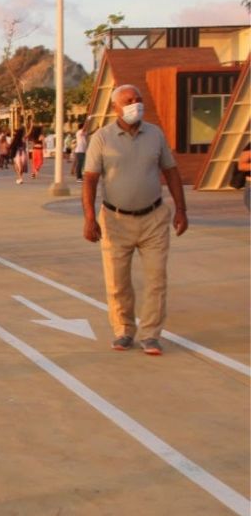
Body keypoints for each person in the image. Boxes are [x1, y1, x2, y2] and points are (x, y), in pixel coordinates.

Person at [82, 84, 188, 356]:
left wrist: (181, 210)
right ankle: (124, 330)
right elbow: (90, 179)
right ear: (116, 107)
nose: (135, 104)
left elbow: (171, 171)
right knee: (118, 281)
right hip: (116, 219)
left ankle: (151, 334)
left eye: (138, 100)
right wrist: (89, 218)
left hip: (153, 218)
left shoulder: (155, 134)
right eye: (129, 100)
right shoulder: (102, 138)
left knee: (156, 279)